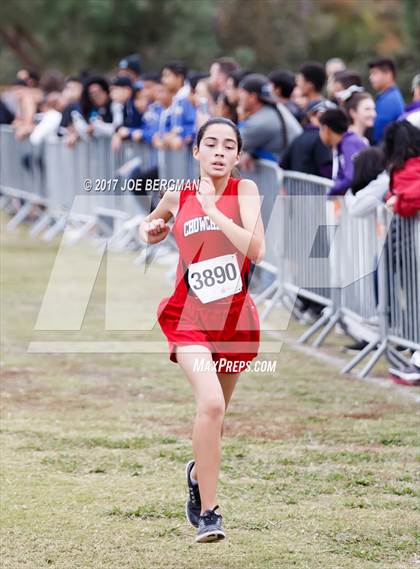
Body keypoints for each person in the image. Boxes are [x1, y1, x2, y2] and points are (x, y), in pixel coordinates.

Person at [138, 117, 264, 543]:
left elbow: (256, 249)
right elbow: (151, 226)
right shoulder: (179, 192)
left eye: (229, 146)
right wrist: (152, 230)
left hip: (233, 318)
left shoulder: (245, 192)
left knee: (218, 416)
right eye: (211, 144)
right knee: (210, 404)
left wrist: (213, 211)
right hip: (189, 316)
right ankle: (209, 513)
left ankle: (196, 472)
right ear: (195, 151)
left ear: (237, 155)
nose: (219, 152)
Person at [319, 108, 368, 196]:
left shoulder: (348, 143)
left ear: (326, 129)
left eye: (320, 129)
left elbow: (350, 177)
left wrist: (331, 191)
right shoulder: (345, 142)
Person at [281, 99, 333, 178]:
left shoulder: (299, 137)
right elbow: (327, 170)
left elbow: (282, 163)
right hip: (317, 189)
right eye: (320, 115)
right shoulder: (320, 138)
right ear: (310, 116)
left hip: (296, 188)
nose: (325, 118)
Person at [368, 57, 405, 144]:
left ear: (388, 74)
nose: (370, 78)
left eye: (374, 73)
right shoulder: (386, 96)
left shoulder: (390, 100)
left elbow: (377, 134)